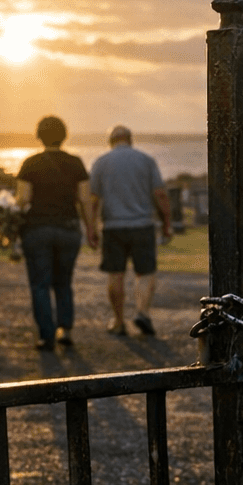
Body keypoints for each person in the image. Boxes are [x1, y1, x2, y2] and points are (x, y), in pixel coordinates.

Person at [16, 116, 94, 349]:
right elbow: (84, 199)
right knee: (63, 282)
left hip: (37, 228)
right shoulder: (76, 162)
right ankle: (66, 330)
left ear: (39, 136)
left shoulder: (30, 163)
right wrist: (91, 229)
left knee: (40, 283)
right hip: (68, 228)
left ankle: (46, 335)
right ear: (64, 136)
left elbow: (23, 199)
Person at [89, 125, 170, 336]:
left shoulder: (101, 162)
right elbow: (160, 194)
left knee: (116, 274)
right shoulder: (146, 160)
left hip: (113, 227)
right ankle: (142, 313)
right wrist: (167, 223)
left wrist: (91, 228)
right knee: (145, 273)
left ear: (111, 141)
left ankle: (118, 321)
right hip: (142, 226)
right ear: (130, 139)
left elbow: (93, 199)